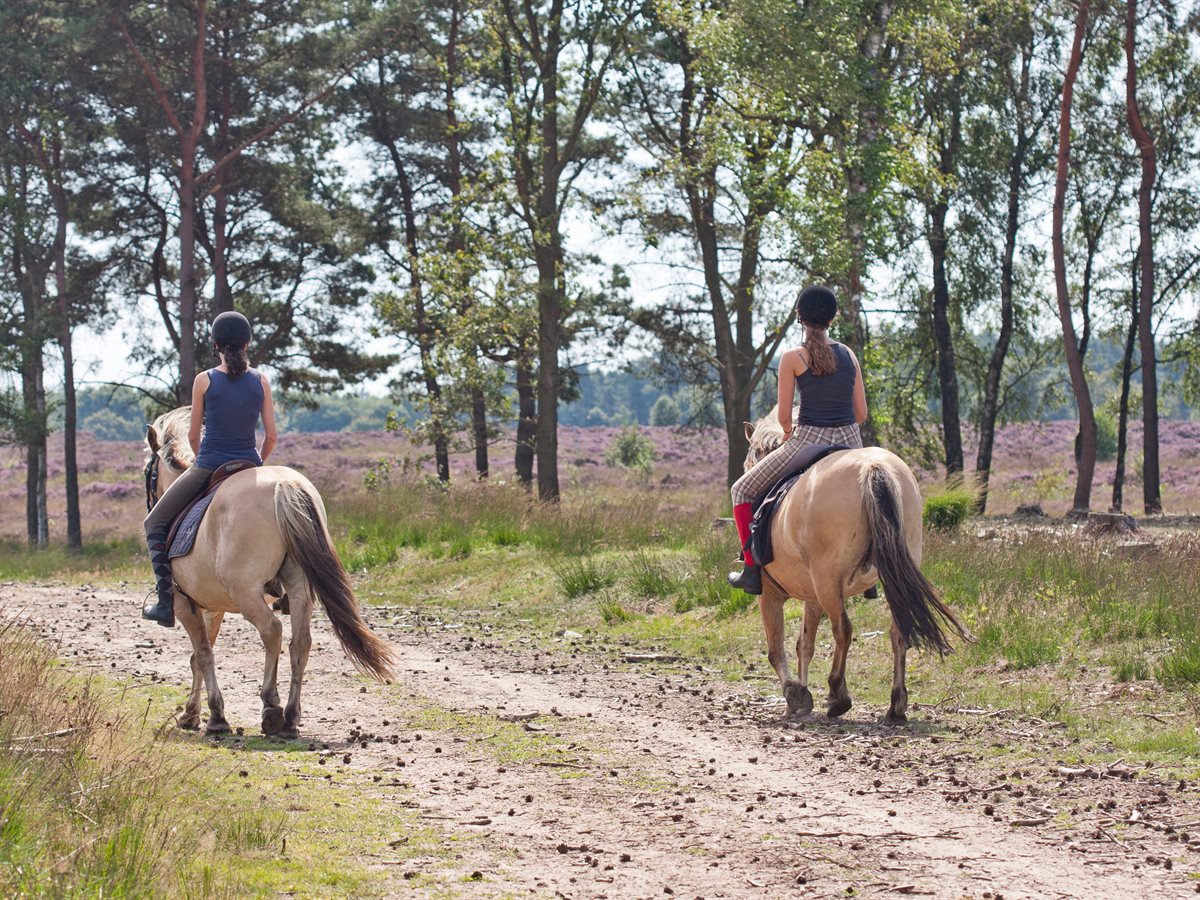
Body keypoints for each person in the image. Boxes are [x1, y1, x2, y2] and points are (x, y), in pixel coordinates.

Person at [727, 285, 868, 595]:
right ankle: (868, 572)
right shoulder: (849, 354)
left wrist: (790, 433)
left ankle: (751, 568)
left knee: (741, 489)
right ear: (833, 318)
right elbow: (860, 414)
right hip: (850, 443)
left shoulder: (792, 357)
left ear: (799, 317)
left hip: (808, 441)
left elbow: (784, 421)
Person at [142, 311, 278, 626]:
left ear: (215, 344)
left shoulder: (204, 380)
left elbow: (192, 435)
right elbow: (271, 436)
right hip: (249, 465)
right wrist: (258, 462)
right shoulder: (261, 380)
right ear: (247, 343)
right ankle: (281, 589)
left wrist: (206, 462)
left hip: (209, 464)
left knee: (154, 523)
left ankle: (165, 602)